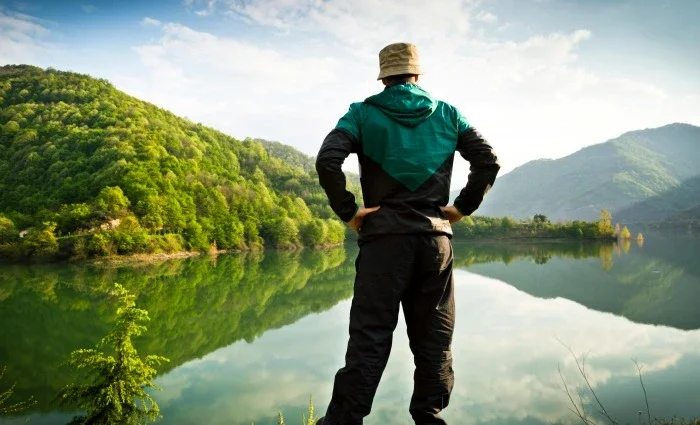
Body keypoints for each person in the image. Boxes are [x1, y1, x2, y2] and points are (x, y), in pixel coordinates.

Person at [314, 42, 500, 425]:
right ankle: (429, 418)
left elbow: (328, 160)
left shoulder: (362, 114)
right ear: (418, 75)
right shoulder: (448, 114)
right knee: (435, 340)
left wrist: (349, 212)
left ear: (383, 76)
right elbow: (487, 160)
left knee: (369, 340)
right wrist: (462, 207)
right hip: (434, 243)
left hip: (383, 242)